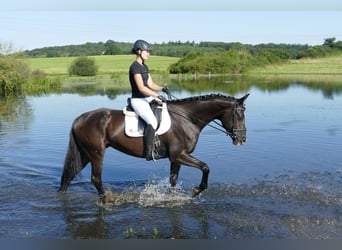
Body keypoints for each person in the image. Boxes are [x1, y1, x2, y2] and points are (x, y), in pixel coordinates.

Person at [129, 39, 170, 161]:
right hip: (138, 100)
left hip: (147, 98)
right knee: (152, 121)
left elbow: (150, 84)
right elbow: (141, 88)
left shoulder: (144, 66)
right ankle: (148, 152)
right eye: (147, 51)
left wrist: (162, 88)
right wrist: (156, 96)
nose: (148, 54)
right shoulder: (135, 67)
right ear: (139, 51)